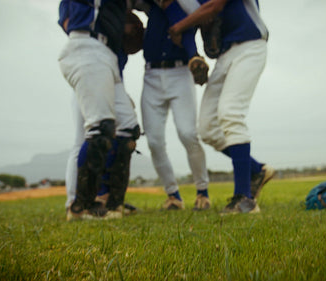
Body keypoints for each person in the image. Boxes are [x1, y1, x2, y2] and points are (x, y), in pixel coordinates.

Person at [169, 0, 276, 214]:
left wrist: (178, 27)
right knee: (207, 128)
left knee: (230, 114)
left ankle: (245, 200)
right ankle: (257, 171)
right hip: (224, 55)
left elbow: (214, 6)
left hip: (250, 45)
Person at [58, 0, 137, 220]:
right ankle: (80, 206)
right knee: (99, 129)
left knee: (129, 129)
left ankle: (112, 205)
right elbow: (65, 19)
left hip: (108, 55)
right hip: (87, 46)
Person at [138, 0, 211, 210]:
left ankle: (202, 192)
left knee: (188, 133)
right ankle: (173, 195)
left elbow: (199, 15)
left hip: (181, 72)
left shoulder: (185, 5)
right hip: (151, 74)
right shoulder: (149, 5)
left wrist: (194, 55)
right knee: (154, 141)